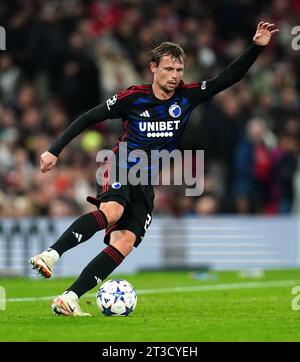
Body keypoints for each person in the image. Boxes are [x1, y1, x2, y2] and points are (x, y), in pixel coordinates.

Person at [29, 22, 279, 316]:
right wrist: (54, 150)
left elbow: (228, 78)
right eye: (168, 70)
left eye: (179, 70)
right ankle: (51, 254)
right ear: (153, 68)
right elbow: (87, 117)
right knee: (114, 211)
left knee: (125, 242)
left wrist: (257, 47)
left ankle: (70, 298)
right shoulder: (132, 97)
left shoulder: (187, 97)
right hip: (121, 163)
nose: (174, 77)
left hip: (145, 180)